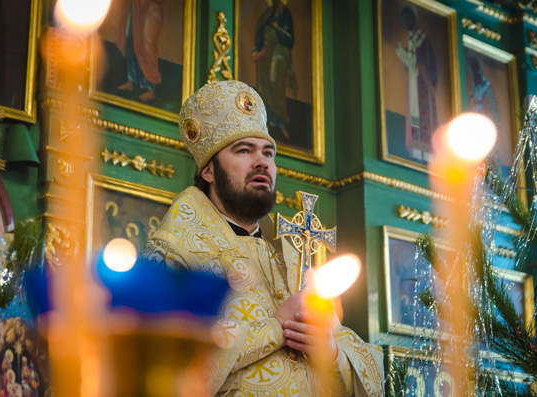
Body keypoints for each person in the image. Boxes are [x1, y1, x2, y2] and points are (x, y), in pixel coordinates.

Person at [141, 80, 384, 396]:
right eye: (243, 150)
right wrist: (275, 326)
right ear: (208, 171)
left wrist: (331, 351)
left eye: (268, 153)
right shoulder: (173, 252)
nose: (262, 162)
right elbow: (159, 368)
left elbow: (368, 372)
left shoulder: (293, 260)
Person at [395, 3, 438, 163]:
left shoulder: (423, 40)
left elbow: (430, 63)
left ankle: (427, 155)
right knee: (413, 114)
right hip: (413, 83)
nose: (407, 22)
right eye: (405, 19)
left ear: (415, 20)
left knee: (424, 116)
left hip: (423, 85)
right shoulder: (410, 40)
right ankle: (415, 152)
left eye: (409, 18)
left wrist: (419, 65)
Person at [252, 0, 297, 140]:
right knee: (264, 85)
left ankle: (280, 122)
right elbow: (260, 30)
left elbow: (289, 39)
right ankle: (266, 121)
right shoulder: (268, 13)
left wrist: (278, 29)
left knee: (275, 84)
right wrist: (258, 48)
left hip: (278, 53)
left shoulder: (285, 15)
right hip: (266, 54)